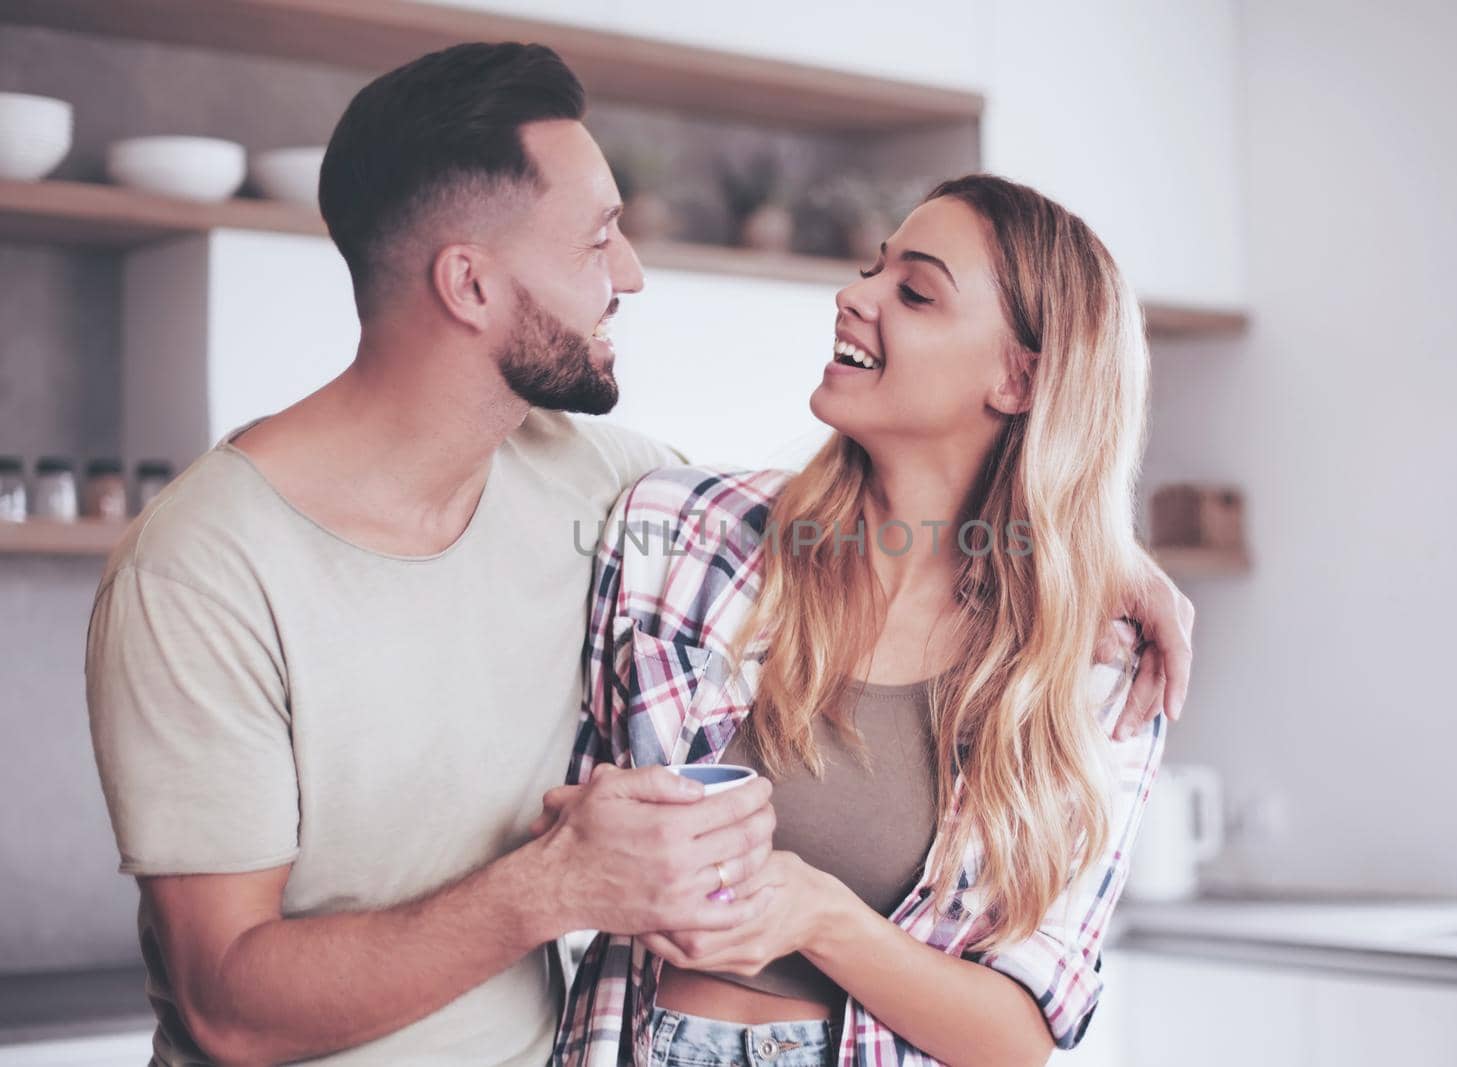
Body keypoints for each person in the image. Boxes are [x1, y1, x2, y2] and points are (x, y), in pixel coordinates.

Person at [83, 42, 1191, 1066]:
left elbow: (1028, 1019)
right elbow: (225, 1004)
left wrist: (1094, 560)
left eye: (913, 285)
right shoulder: (203, 568)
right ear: (469, 284)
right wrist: (554, 886)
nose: (634, 273)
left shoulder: (604, 488)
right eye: (595, 237)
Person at [552, 174, 1168, 1067]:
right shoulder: (682, 531)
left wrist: (822, 917)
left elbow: (1020, 1037)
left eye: (914, 292)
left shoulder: (1097, 670)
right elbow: (556, 825)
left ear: (1019, 377)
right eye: (873, 270)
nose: (853, 296)